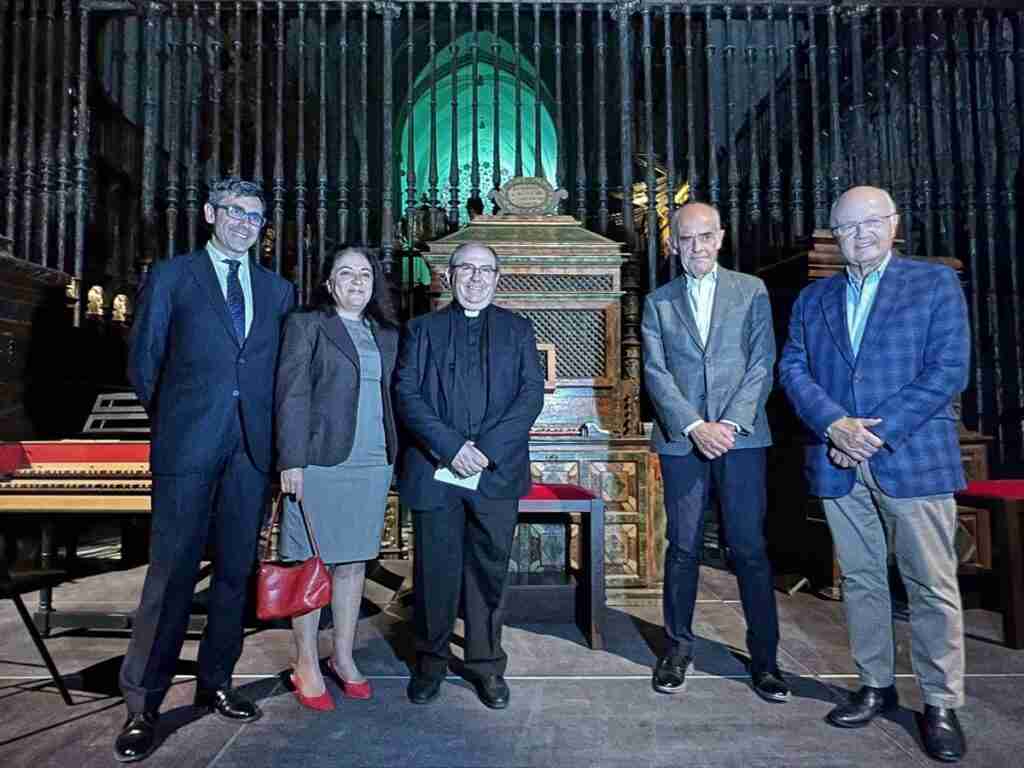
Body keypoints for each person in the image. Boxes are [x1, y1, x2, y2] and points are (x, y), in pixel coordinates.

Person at [778, 186, 970, 763]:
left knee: (931, 586)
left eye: (869, 225)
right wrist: (835, 425)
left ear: (894, 225)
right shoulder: (814, 299)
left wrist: (875, 434)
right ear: (833, 235)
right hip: (839, 460)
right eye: (845, 228)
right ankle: (876, 687)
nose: (858, 237)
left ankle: (939, 702)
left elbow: (948, 370)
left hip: (911, 458)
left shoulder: (934, 284)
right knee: (861, 581)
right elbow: (793, 367)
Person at [116, 177, 296, 762]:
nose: (247, 224)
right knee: (169, 576)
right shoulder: (173, 276)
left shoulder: (277, 290)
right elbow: (145, 364)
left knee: (235, 574)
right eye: (237, 212)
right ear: (210, 213)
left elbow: (276, 375)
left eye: (257, 216)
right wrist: (183, 420)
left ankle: (217, 681)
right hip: (187, 449)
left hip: (249, 453)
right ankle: (143, 704)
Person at [641, 202, 788, 703]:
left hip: (741, 438)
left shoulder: (752, 291)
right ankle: (677, 650)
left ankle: (765, 661)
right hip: (683, 442)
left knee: (748, 549)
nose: (697, 247)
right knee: (682, 549)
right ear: (673, 244)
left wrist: (727, 424)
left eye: (705, 237)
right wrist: (693, 426)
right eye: (686, 239)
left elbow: (763, 362)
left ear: (721, 238)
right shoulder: (658, 302)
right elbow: (656, 373)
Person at [395, 241, 544, 710]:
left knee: (489, 574)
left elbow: (529, 397)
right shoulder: (421, 329)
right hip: (436, 471)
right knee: (435, 573)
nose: (476, 278)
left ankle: (485, 664)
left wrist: (485, 452)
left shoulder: (518, 330)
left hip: (494, 474)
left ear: (498, 278)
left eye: (486, 270)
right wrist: (452, 448)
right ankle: (431, 662)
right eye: (467, 269)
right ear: (449, 274)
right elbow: (406, 394)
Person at [274, 247, 399, 711]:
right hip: (319, 462)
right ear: (328, 284)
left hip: (372, 460)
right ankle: (305, 661)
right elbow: (290, 393)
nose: (356, 281)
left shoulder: (385, 333)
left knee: (352, 564)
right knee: (310, 562)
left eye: (364, 274)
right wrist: (291, 460)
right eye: (345, 273)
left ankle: (343, 657)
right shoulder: (306, 325)